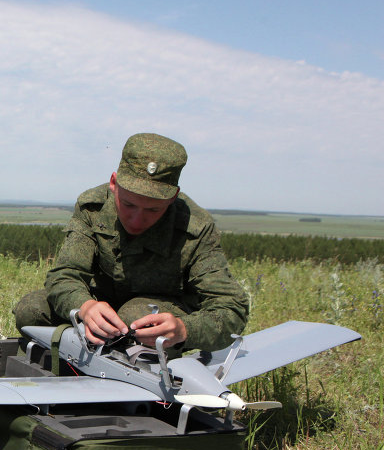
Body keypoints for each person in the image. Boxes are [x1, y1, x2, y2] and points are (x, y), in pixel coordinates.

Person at [13, 133, 248, 353]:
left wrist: (184, 329)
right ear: (113, 183)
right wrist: (84, 307)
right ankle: (65, 374)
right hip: (100, 304)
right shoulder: (92, 208)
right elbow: (65, 274)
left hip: (153, 318)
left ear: (173, 197)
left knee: (135, 317)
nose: (137, 219)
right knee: (31, 310)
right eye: (128, 204)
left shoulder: (194, 227)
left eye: (153, 209)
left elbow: (231, 309)